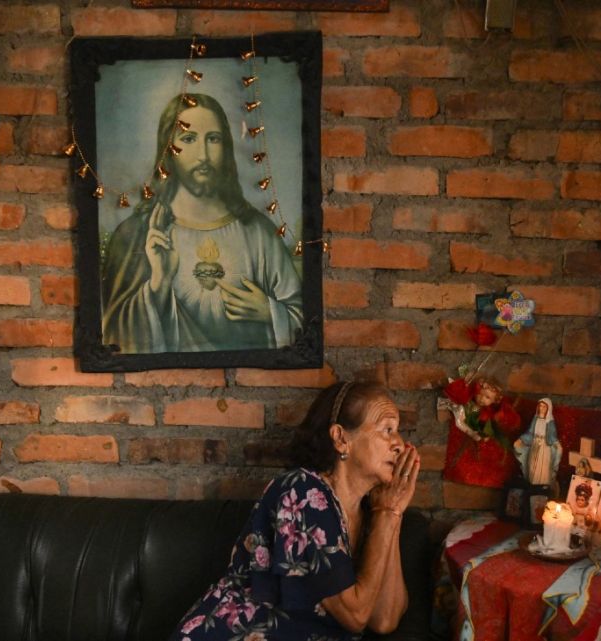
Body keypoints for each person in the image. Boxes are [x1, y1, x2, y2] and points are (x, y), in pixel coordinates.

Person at [169, 381, 421, 641]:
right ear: (341, 438)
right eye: (387, 430)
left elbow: (384, 620)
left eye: (398, 432)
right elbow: (355, 617)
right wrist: (388, 511)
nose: (399, 444)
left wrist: (392, 513)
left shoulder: (376, 512)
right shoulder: (303, 492)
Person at [101, 92, 303, 354]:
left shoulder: (258, 231)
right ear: (169, 149)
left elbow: (303, 321)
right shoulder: (137, 234)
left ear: (227, 147)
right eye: (188, 139)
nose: (203, 155)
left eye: (213, 139)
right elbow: (112, 333)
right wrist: (158, 284)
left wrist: (271, 312)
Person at [514, 398, 561, 486]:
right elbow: (530, 433)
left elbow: (552, 436)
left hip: (544, 448)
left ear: (548, 409)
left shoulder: (550, 422)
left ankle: (542, 486)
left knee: (542, 468)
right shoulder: (535, 419)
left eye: (544, 407)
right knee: (532, 466)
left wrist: (557, 444)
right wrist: (521, 440)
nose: (541, 408)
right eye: (540, 406)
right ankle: (531, 484)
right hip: (534, 445)